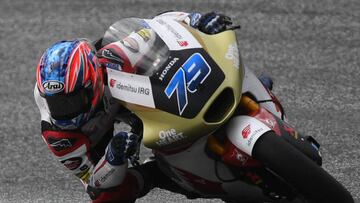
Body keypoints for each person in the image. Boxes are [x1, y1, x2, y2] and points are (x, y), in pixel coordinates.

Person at [34, 11, 235, 203]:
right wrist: (113, 157)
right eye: (57, 103)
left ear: (92, 82)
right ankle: (158, 174)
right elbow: (93, 182)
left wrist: (194, 21)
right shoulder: (59, 137)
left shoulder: (111, 55)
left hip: (125, 98)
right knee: (105, 196)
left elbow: (159, 25)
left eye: (72, 101)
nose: (64, 111)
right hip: (97, 137)